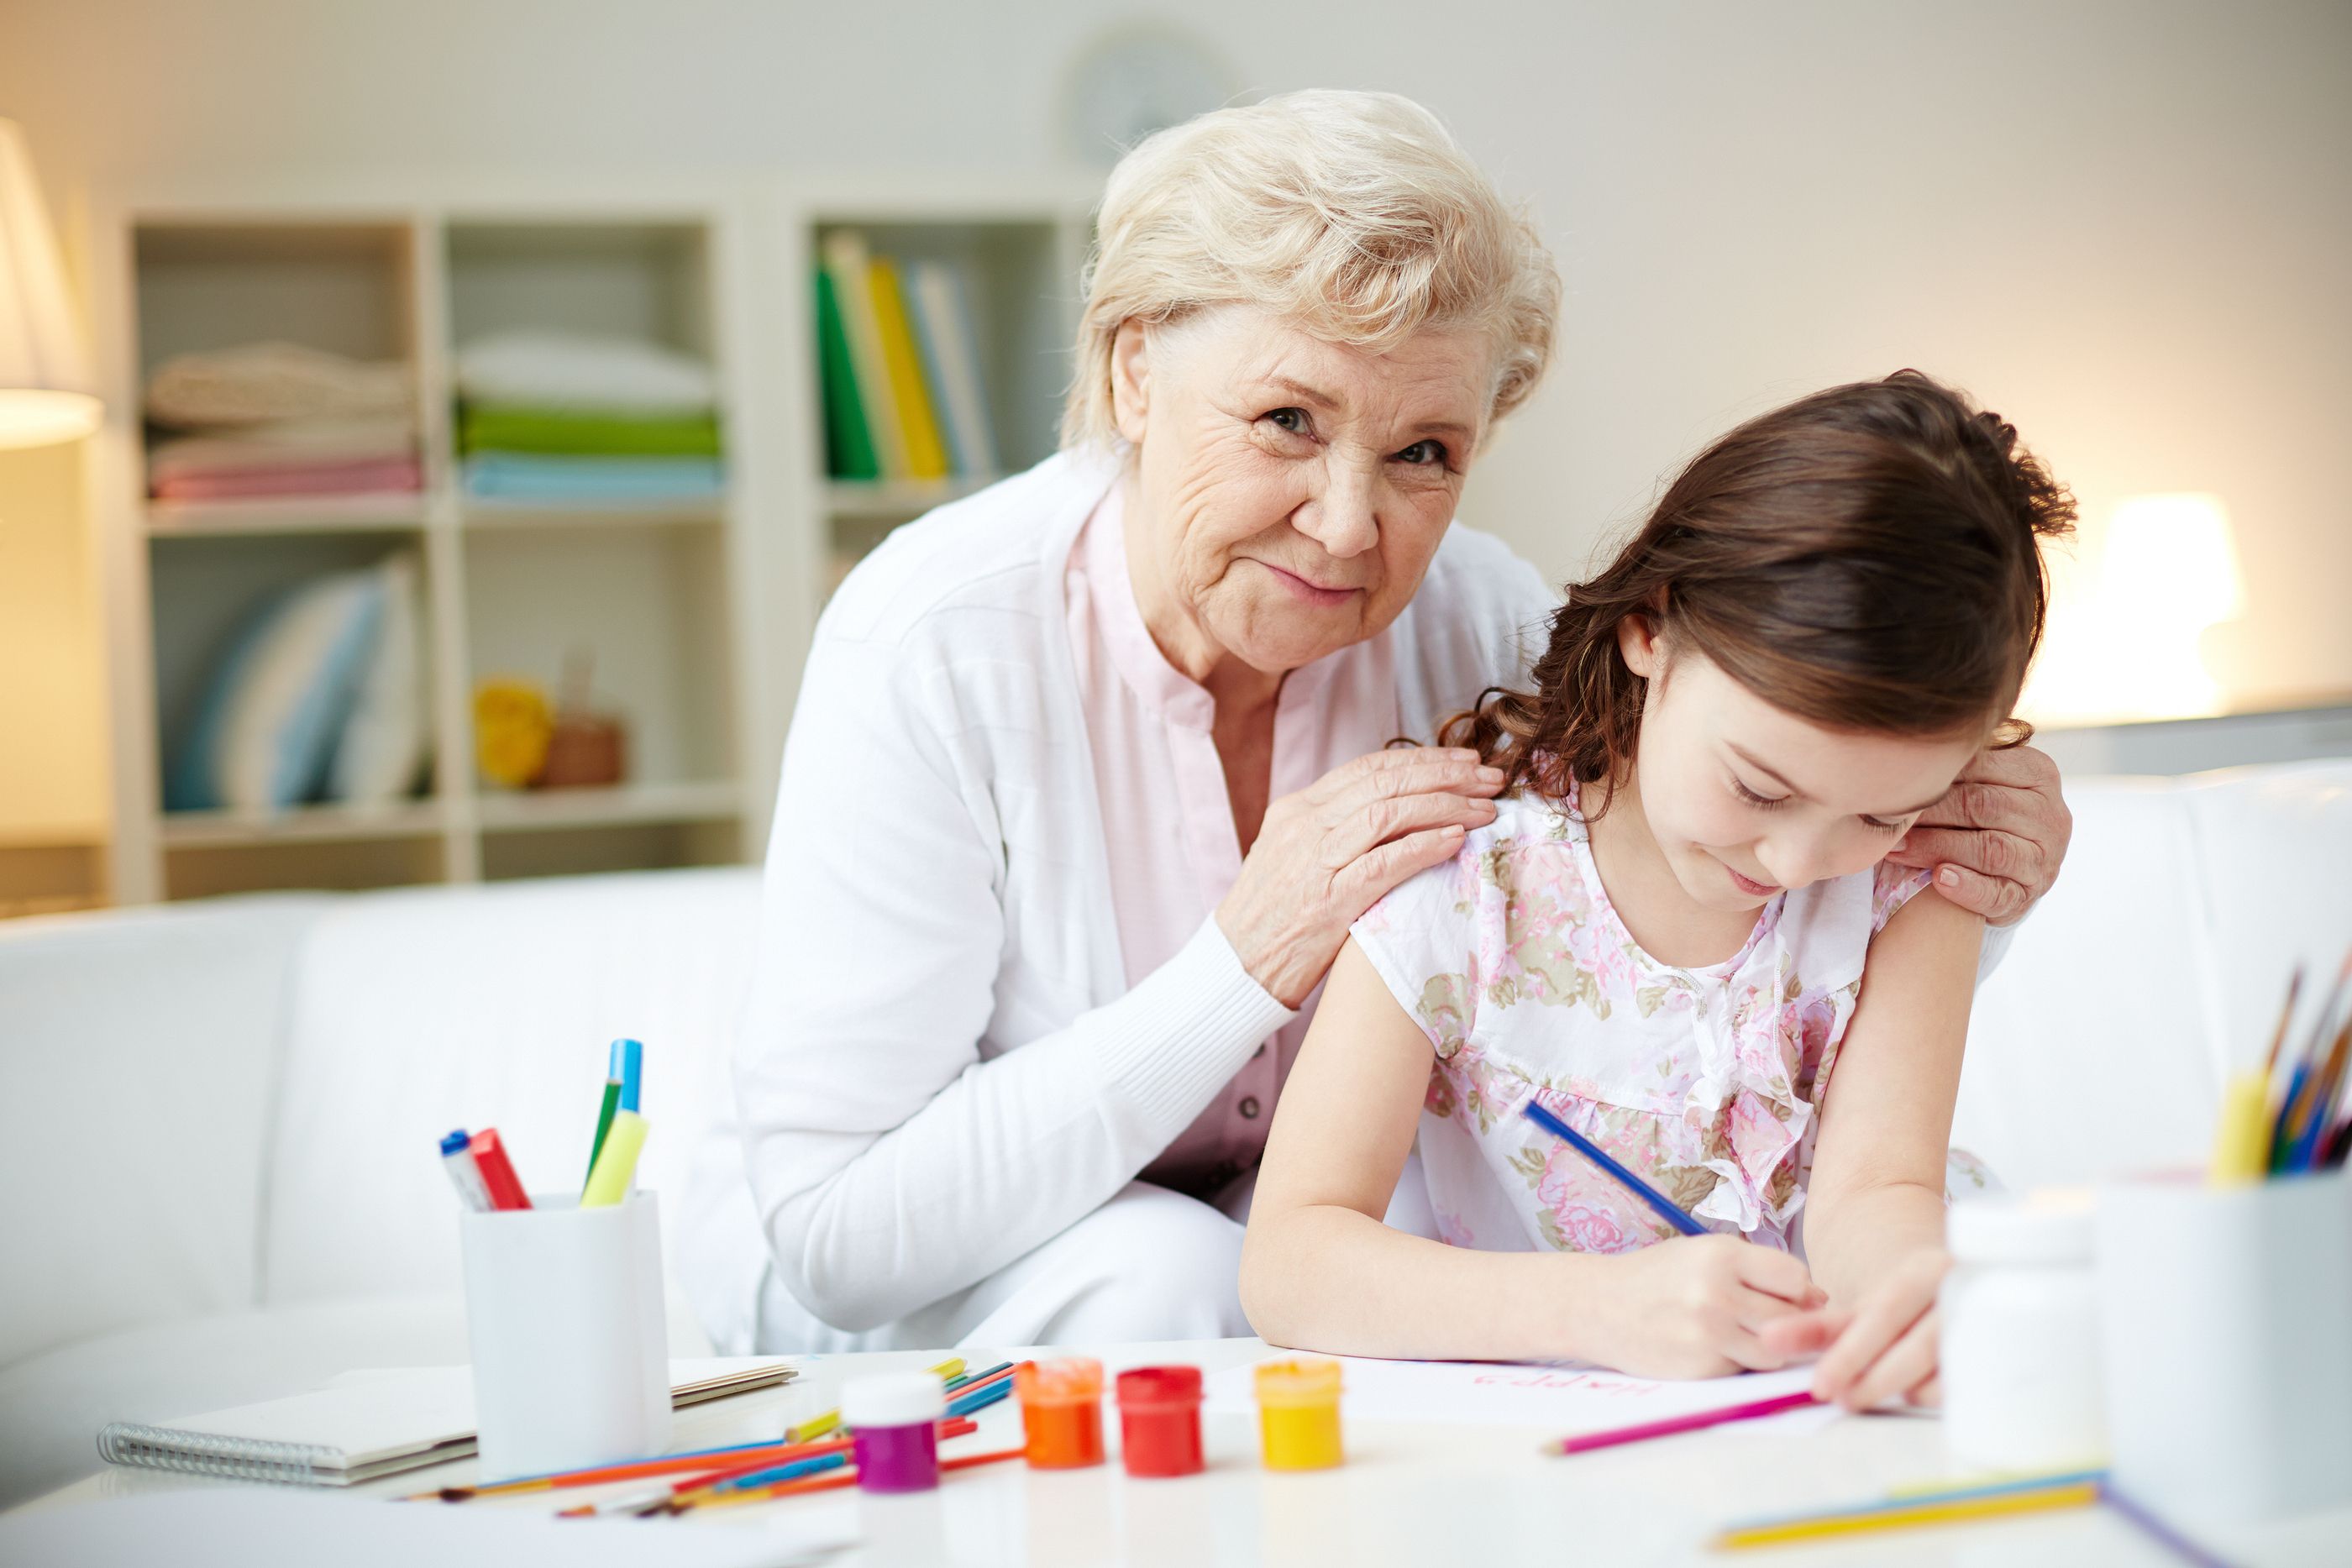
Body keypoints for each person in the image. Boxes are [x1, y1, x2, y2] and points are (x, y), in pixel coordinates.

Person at [678, 92, 2076, 1358]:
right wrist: (1245, 956)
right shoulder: (933, 641)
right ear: (1131, 375)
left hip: (1286, 1258)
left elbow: (1718, 871)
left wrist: (1967, 849)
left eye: (1424, 454)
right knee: (1174, 1273)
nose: (1350, 526)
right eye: (1287, 418)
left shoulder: (1478, 619)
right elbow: (842, 1235)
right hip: (931, 1267)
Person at [1239, 372, 2072, 1408]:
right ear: (1650, 630)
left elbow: (1877, 1190)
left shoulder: (1907, 882)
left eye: (1879, 811)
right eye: (1758, 786)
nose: (1798, 863)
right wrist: (1596, 1308)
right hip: (1567, 1427)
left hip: (1824, 1406)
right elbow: (1290, 1260)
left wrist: (1914, 1294)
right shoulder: (1461, 880)